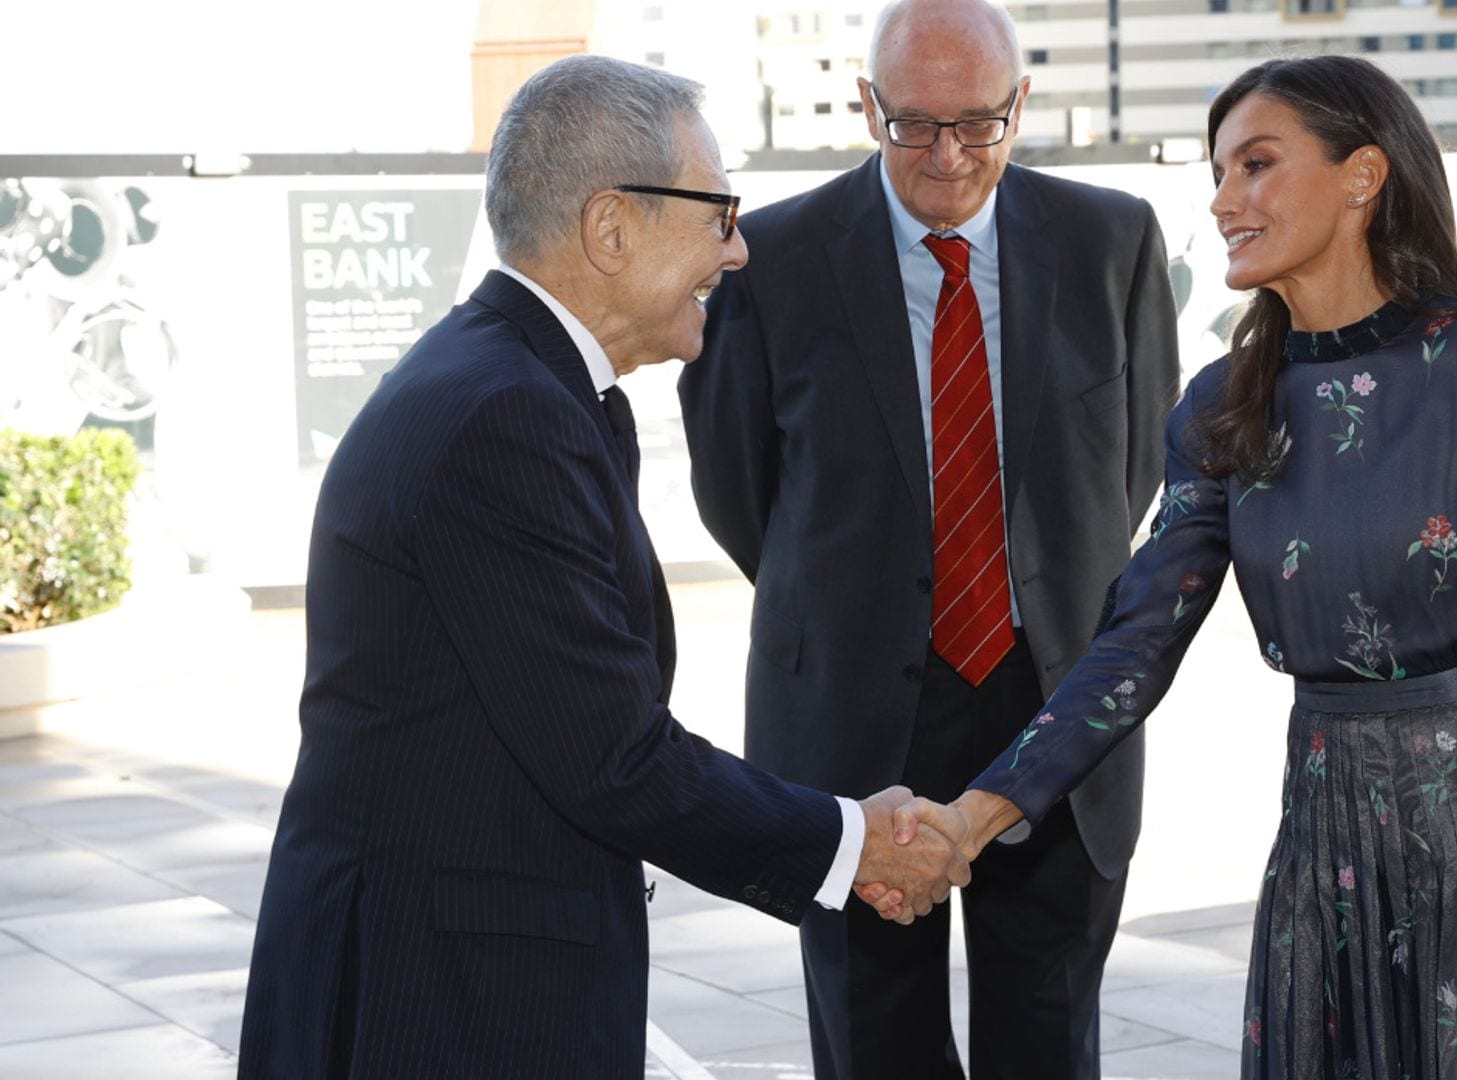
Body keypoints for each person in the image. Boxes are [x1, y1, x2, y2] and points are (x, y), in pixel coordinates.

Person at [889, 55, 1457, 1079]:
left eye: (1256, 165)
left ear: (1362, 175)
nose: (1222, 201)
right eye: (1218, 173)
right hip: (1329, 852)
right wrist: (973, 817)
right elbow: (1132, 649)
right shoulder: (1220, 406)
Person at [237, 56, 964, 1079]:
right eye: (719, 213)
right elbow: (613, 760)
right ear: (610, 225)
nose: (741, 250)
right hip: (443, 998)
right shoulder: (507, 417)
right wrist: (853, 843)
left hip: (464, 971)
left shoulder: (523, 385)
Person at [676, 0, 1181, 1075]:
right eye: (913, 124)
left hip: (1057, 713)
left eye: (978, 124)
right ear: (867, 108)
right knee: (875, 1047)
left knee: (1047, 1044)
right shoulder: (767, 259)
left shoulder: (1111, 238)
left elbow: (1135, 467)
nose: (947, 156)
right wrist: (858, 600)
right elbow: (738, 494)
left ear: (1020, 108)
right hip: (852, 729)